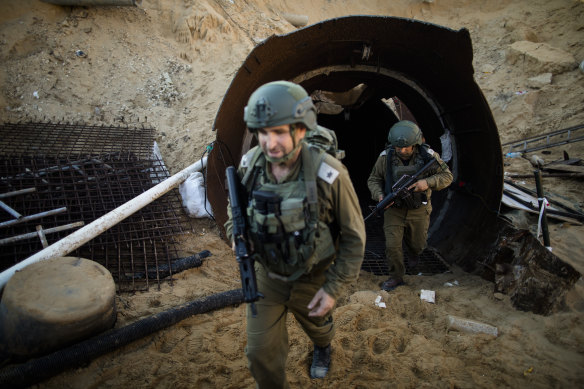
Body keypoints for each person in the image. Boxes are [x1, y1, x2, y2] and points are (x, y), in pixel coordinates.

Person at [224, 80, 366, 388]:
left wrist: (333, 289)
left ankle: (323, 346)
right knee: (260, 354)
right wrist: (235, 235)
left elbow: (355, 237)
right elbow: (234, 210)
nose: (269, 143)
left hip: (312, 276)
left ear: (301, 129)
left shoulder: (328, 173)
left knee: (318, 327)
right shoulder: (251, 165)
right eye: (263, 133)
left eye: (279, 132)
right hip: (266, 276)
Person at [367, 120, 453, 291]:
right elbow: (374, 179)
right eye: (399, 147)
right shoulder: (385, 158)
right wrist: (379, 195)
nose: (402, 151)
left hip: (418, 210)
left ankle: (414, 253)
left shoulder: (428, 156)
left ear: (415, 144)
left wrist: (427, 183)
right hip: (394, 210)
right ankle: (396, 277)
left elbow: (447, 176)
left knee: (418, 244)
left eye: (406, 147)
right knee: (392, 247)